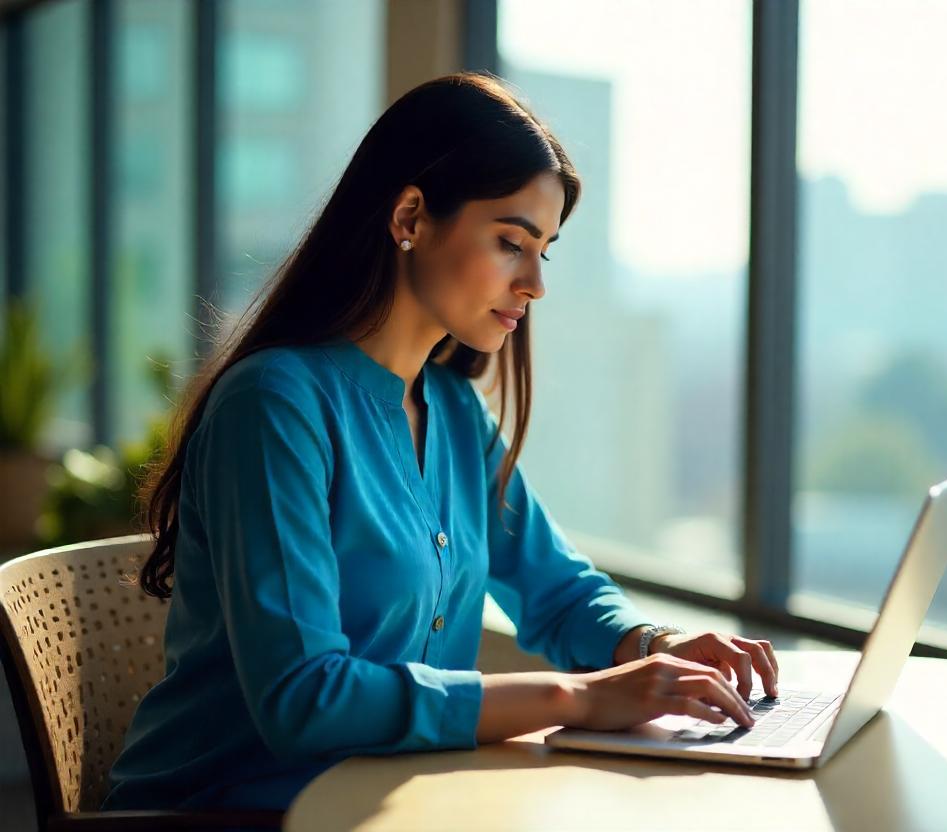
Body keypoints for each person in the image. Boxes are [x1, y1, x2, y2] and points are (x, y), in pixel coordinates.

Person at [101, 71, 779, 814]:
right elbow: (303, 697)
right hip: (234, 812)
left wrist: (655, 647)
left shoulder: (453, 410)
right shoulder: (272, 408)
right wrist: (576, 697)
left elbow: (557, 590)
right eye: (511, 243)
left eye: (543, 251)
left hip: (393, 803)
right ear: (411, 216)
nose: (534, 285)